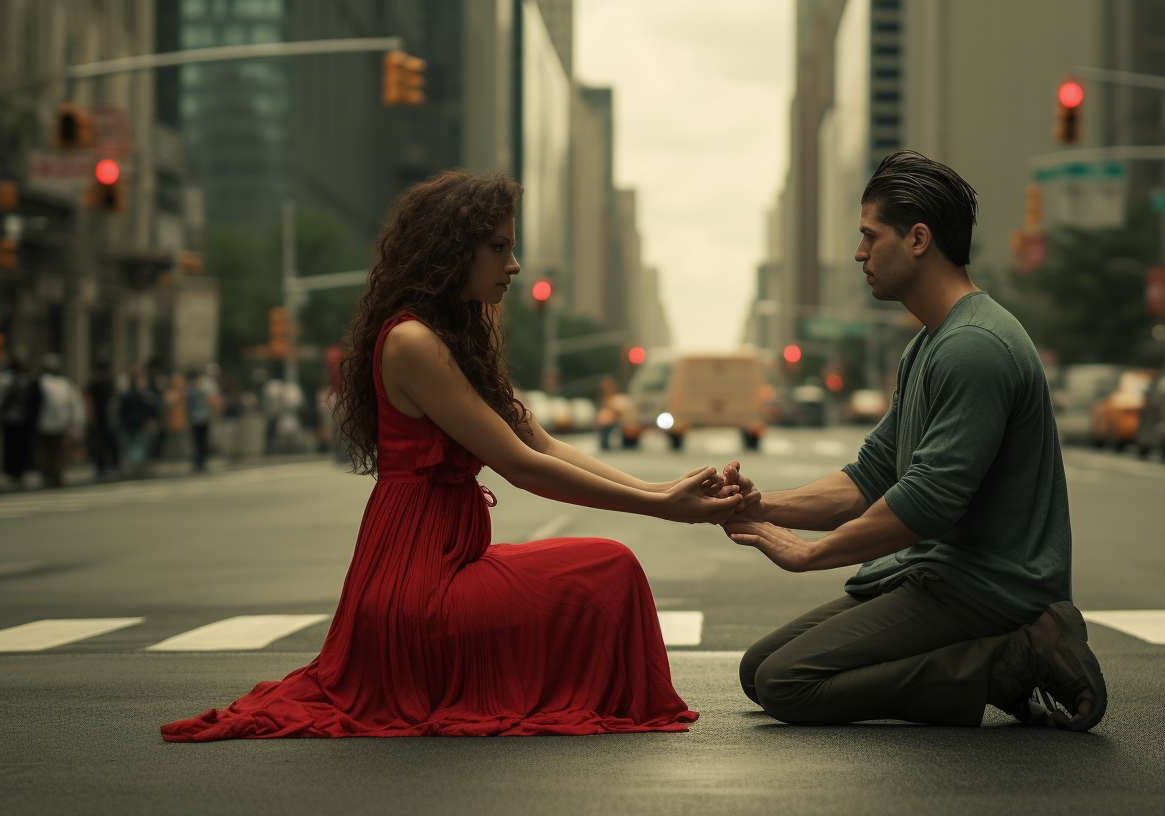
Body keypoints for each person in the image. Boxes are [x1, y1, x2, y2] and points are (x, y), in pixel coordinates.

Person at [161, 169, 743, 742]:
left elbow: (542, 442)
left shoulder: (454, 336)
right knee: (608, 568)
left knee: (605, 567)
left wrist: (660, 490)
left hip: (449, 565)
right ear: (451, 251)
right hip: (418, 586)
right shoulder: (413, 342)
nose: (513, 265)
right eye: (498, 248)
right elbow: (521, 465)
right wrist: (664, 508)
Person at [720, 151, 1107, 732]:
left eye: (869, 237)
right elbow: (871, 477)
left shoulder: (975, 347)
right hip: (935, 574)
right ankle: (979, 661)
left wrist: (813, 554)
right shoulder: (928, 346)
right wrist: (760, 507)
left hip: (990, 589)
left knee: (787, 683)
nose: (859, 254)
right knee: (759, 669)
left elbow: (930, 501)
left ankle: (1007, 660)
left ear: (919, 238)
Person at [34, 352, 85, 488]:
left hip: (55, 426)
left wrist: (75, 424)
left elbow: (74, 405)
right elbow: (75, 405)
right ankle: (51, 474)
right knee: (50, 453)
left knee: (55, 453)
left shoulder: (62, 384)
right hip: (47, 425)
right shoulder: (44, 383)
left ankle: (54, 475)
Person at [0, 357, 38, 486]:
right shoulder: (7, 379)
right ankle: (12, 470)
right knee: (12, 445)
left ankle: (16, 470)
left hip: (19, 418)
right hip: (11, 417)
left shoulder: (22, 379)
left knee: (17, 445)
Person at [86, 361, 120, 479]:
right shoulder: (92, 386)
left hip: (109, 420)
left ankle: (114, 464)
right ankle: (101, 466)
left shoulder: (109, 385)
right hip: (97, 421)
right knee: (98, 444)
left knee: (111, 442)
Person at [186, 365, 223, 472]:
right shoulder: (196, 385)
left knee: (201, 439)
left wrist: (216, 413)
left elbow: (212, 400)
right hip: (197, 417)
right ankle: (199, 459)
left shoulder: (204, 385)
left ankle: (201, 460)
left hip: (203, 416)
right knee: (198, 440)